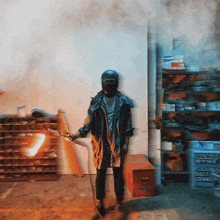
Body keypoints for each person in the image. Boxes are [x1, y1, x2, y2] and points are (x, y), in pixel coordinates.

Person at [69, 70, 134, 216]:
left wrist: (125, 144)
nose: (110, 86)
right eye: (108, 83)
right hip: (101, 145)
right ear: (104, 83)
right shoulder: (96, 103)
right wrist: (77, 134)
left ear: (116, 83)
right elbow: (88, 123)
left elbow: (128, 126)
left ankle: (119, 202)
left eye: (112, 83)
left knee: (118, 174)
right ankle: (100, 203)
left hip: (117, 144)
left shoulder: (124, 103)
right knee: (101, 174)